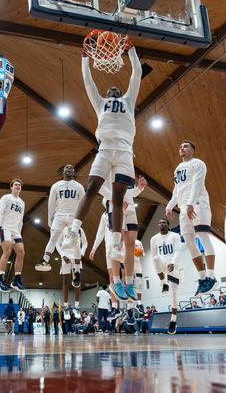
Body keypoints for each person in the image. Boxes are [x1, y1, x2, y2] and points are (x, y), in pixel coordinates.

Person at [67, 43, 142, 303]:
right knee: (90, 188)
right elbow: (89, 84)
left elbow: (137, 74)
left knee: (118, 199)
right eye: (109, 89)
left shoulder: (127, 101)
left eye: (115, 88)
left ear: (120, 93)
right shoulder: (100, 104)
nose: (111, 89)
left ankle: (115, 240)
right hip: (105, 148)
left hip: (124, 151)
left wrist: (131, 52)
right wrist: (85, 59)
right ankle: (74, 229)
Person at [166, 141, 216, 295]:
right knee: (189, 242)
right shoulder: (178, 169)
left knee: (203, 237)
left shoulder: (198, 163)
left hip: (198, 203)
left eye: (185, 146)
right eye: (180, 146)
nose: (181, 148)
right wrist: (169, 205)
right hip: (183, 207)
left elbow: (197, 184)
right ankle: (202, 278)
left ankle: (211, 276)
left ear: (193, 150)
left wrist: (190, 203)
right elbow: (177, 189)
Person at [90, 177, 146, 300]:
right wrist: (117, 200)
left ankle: (129, 284)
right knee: (117, 245)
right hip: (115, 205)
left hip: (130, 207)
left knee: (130, 247)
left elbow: (129, 193)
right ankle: (116, 283)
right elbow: (99, 187)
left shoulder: (128, 169)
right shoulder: (109, 166)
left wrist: (139, 189)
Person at [36, 165, 84, 272]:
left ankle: (76, 269)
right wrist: (50, 219)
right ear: (63, 172)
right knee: (53, 238)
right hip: (59, 215)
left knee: (76, 241)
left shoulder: (79, 186)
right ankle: (45, 259)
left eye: (72, 169)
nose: (70, 169)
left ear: (73, 173)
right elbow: (51, 204)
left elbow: (83, 204)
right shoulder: (56, 186)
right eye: (67, 168)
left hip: (73, 216)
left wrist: (80, 219)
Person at [150, 219, 183, 334]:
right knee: (155, 258)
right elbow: (154, 254)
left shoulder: (175, 236)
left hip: (174, 266)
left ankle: (173, 320)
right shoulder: (154, 239)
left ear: (168, 225)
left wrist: (173, 263)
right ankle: (163, 282)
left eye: (164, 222)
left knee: (173, 294)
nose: (161, 224)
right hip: (163, 264)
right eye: (159, 222)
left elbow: (179, 251)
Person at [0, 179, 26, 292]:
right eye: (15, 184)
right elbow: (0, 212)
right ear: (11, 187)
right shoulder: (6, 198)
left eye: (19, 185)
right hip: (5, 227)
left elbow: (21, 219)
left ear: (21, 188)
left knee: (21, 252)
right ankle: (0, 280)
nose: (17, 186)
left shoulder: (22, 202)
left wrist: (19, 232)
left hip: (15, 230)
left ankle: (17, 280)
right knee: (7, 251)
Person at [58, 227, 87, 311]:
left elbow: (85, 243)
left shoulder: (80, 229)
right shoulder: (63, 229)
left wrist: (81, 253)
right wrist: (62, 255)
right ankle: (66, 306)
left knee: (77, 281)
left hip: (76, 257)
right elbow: (57, 243)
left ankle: (77, 306)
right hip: (65, 257)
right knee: (65, 281)